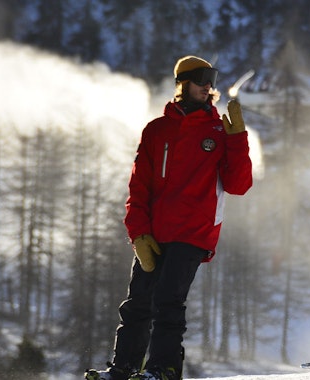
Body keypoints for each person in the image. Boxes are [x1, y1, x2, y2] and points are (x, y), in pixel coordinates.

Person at [85, 56, 253, 380]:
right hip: (155, 233)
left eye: (212, 79)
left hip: (193, 232)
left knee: (167, 300)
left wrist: (237, 138)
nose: (209, 85)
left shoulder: (218, 130)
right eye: (202, 78)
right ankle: (124, 368)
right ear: (182, 82)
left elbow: (239, 185)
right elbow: (138, 186)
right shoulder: (156, 130)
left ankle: (163, 369)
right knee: (137, 302)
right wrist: (138, 233)